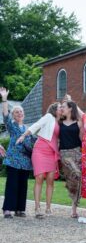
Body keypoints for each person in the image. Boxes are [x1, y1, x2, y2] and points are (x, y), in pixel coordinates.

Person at [17, 102, 62, 218]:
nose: (62, 109)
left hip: (52, 152)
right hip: (40, 150)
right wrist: (23, 135)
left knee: (50, 180)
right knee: (40, 177)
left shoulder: (60, 122)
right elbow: (36, 125)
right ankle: (37, 207)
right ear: (54, 110)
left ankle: (48, 207)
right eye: (60, 108)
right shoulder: (49, 117)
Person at [0, 87, 32, 218]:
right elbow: (5, 115)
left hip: (25, 161)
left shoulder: (28, 129)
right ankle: (7, 209)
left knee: (23, 185)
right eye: (16, 112)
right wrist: (5, 99)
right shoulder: (11, 126)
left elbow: (32, 145)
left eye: (21, 112)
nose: (19, 114)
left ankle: (19, 209)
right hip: (13, 160)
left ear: (23, 114)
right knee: (12, 185)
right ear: (14, 115)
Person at [59, 100, 82, 218]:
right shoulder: (59, 123)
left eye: (63, 107)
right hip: (64, 154)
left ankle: (74, 207)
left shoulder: (78, 123)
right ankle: (74, 206)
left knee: (77, 180)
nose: (61, 108)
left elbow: (82, 139)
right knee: (72, 178)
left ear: (70, 108)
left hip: (77, 153)